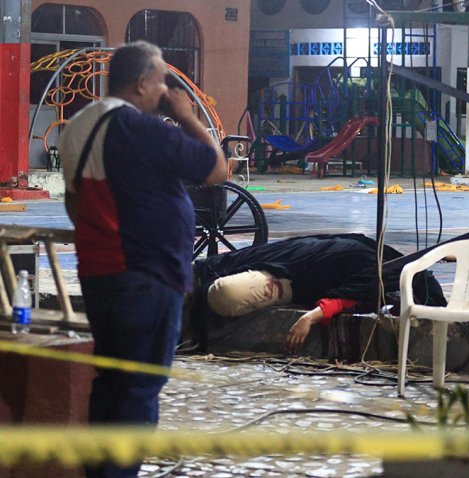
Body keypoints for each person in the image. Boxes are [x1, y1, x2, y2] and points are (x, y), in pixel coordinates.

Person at [58, 41, 227, 478]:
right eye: (160, 84)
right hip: (146, 277)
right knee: (138, 389)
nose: (164, 92)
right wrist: (187, 113)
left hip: (99, 276)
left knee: (111, 382)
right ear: (139, 84)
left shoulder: (78, 126)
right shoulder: (139, 129)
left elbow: (75, 204)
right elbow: (215, 169)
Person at [186, 234, 447, 353]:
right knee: (223, 295)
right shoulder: (380, 269)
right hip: (285, 273)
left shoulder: (378, 259)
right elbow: (351, 294)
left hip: (286, 268)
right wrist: (311, 317)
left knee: (220, 289)